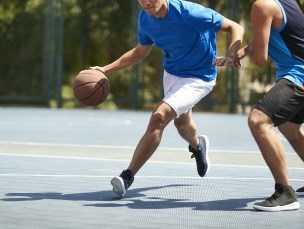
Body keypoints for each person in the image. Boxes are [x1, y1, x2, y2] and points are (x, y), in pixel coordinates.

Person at [90, 0, 244, 198]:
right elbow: (140, 51)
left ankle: (127, 176)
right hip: (172, 73)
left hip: (199, 77)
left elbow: (235, 26)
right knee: (182, 123)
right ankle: (198, 145)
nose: (146, 2)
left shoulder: (190, 13)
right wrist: (104, 70)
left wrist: (232, 54)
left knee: (159, 116)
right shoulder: (145, 19)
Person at [215, 0, 304, 211]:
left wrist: (243, 49)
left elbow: (260, 59)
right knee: (289, 127)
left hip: (297, 75)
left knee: (258, 120)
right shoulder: (285, 2)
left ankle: (285, 193)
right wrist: (238, 54)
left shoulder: (262, 5)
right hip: (298, 74)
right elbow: (265, 34)